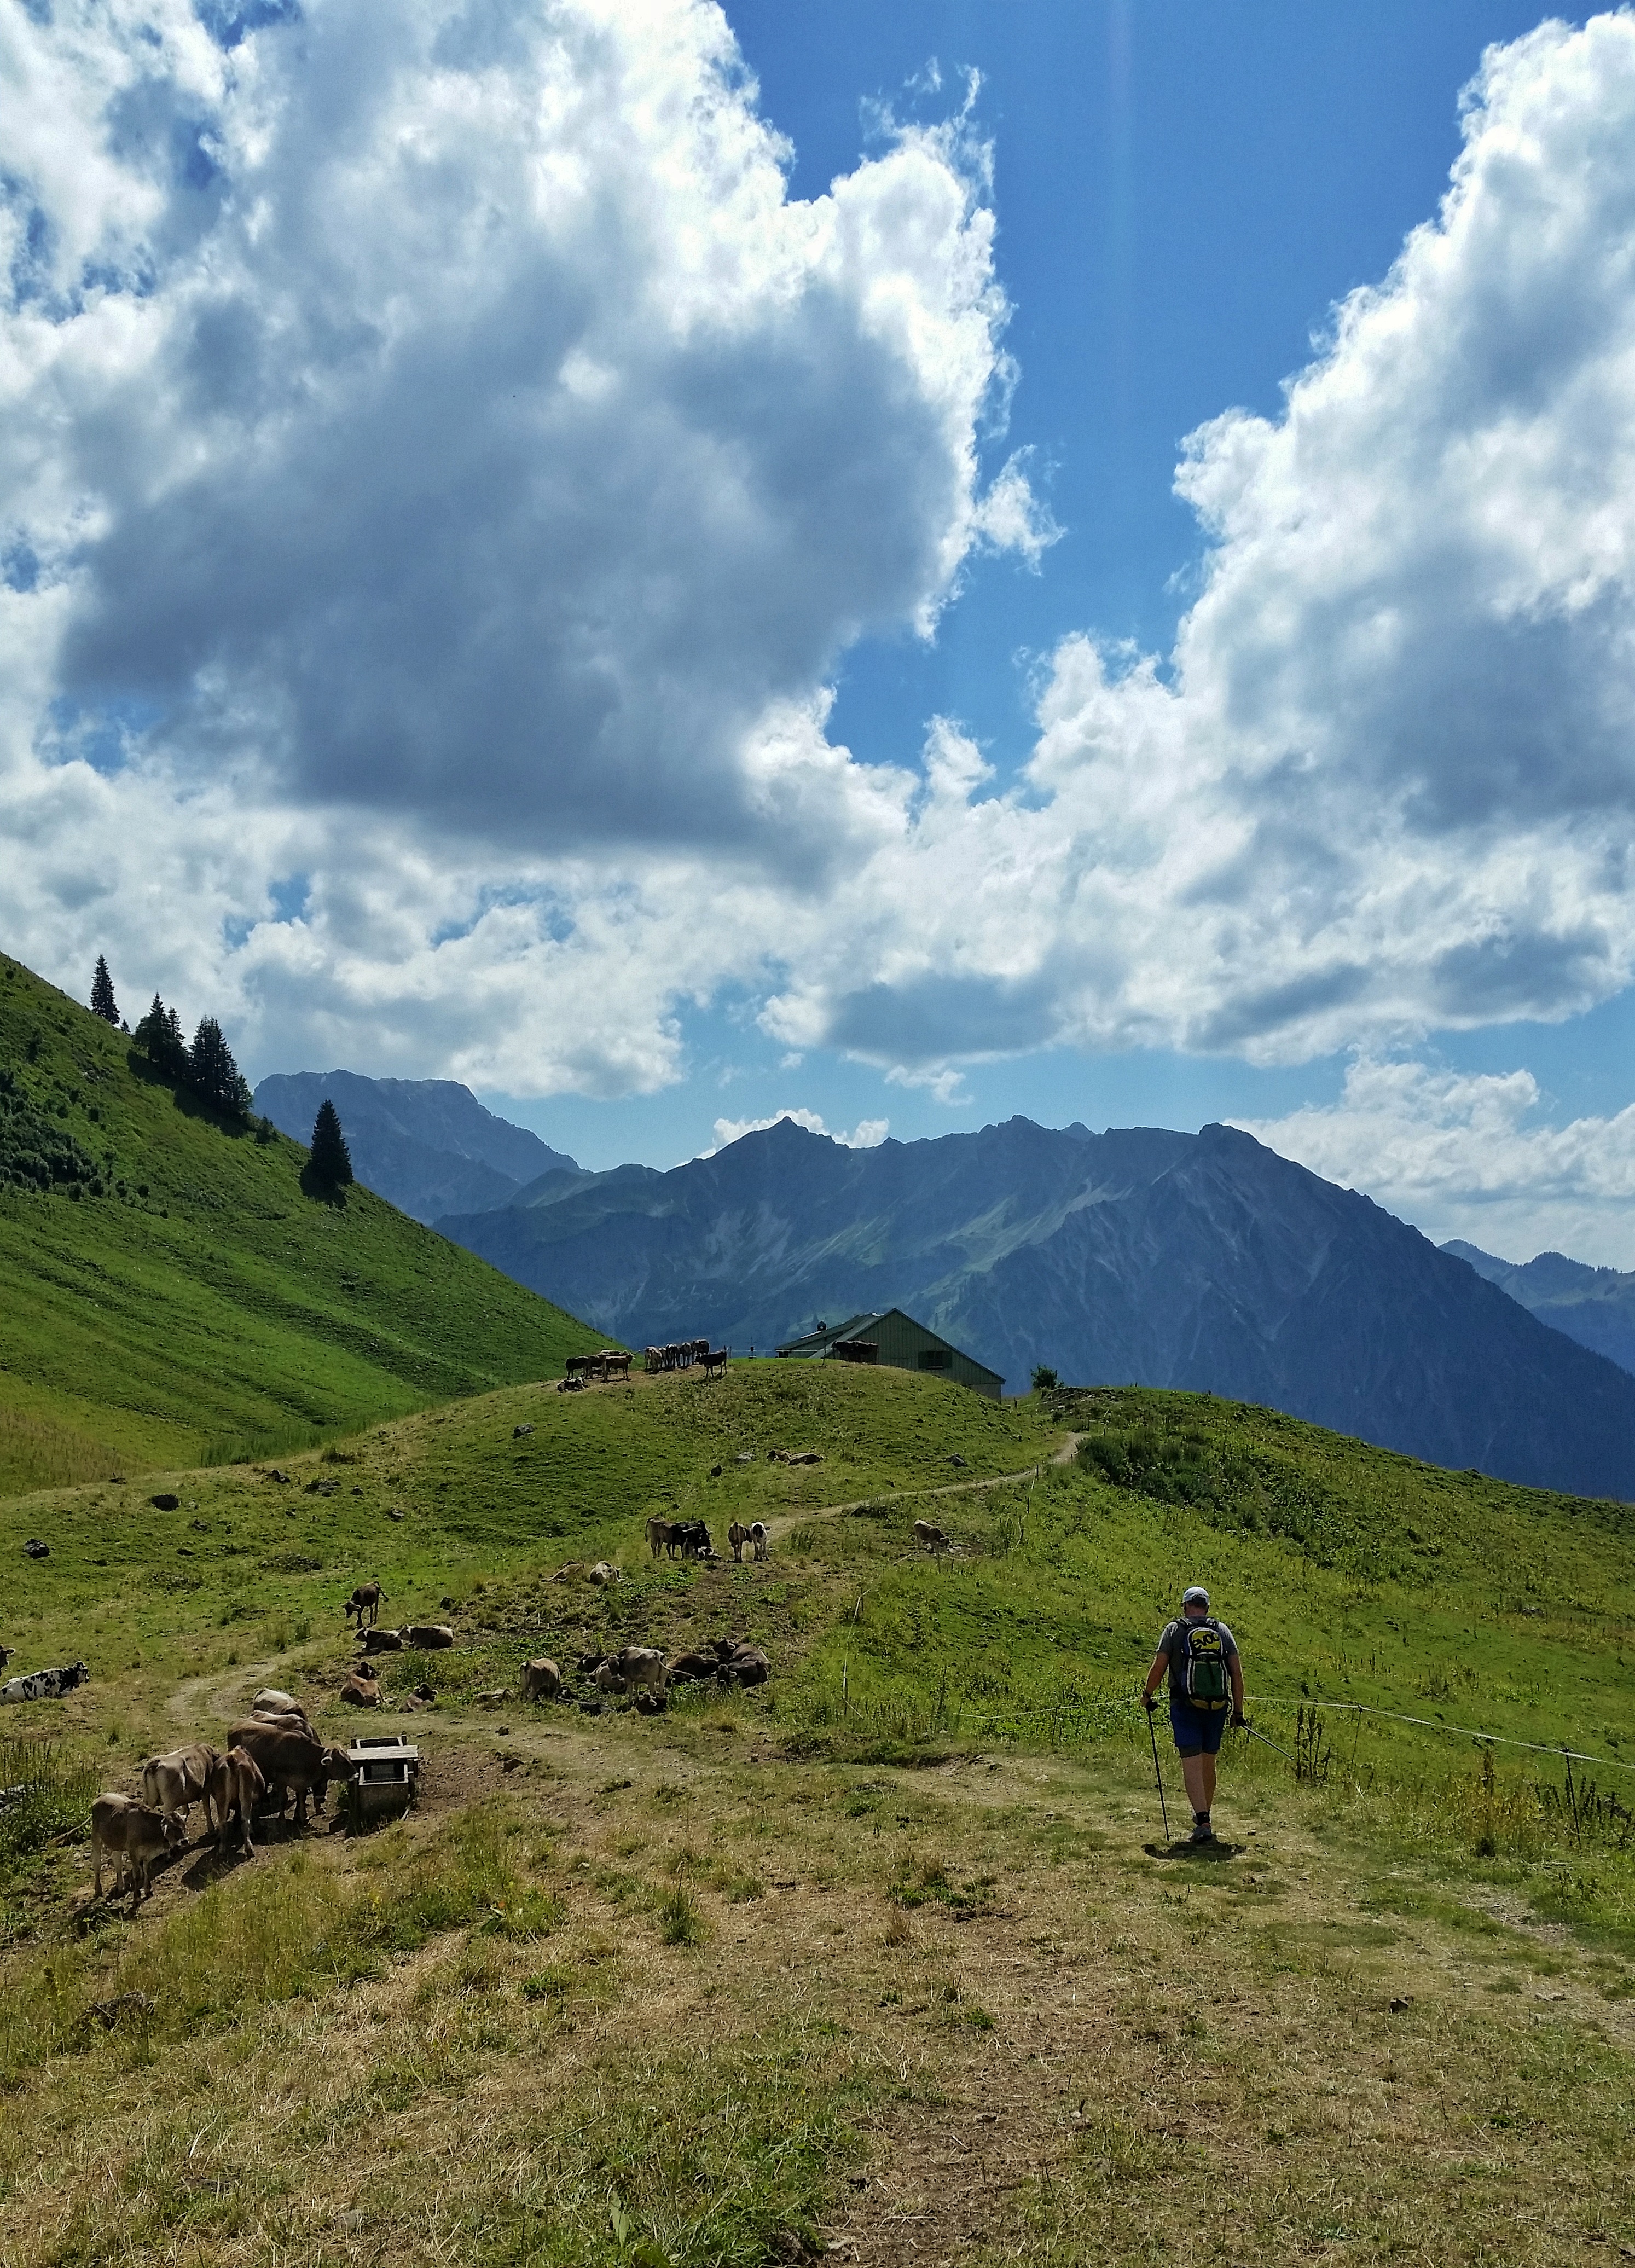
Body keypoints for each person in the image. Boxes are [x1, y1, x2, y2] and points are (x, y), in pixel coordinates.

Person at [1141, 1585, 1245, 1843]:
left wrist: (1148, 1694)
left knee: (1191, 1763)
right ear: (1207, 1607)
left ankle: (1203, 1821)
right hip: (1217, 1707)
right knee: (1208, 1763)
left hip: (1185, 1705)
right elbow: (1237, 1673)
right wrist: (1238, 1710)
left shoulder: (1175, 1630)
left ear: (1186, 1606)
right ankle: (1205, 1814)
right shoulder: (1221, 1631)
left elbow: (1159, 1666)